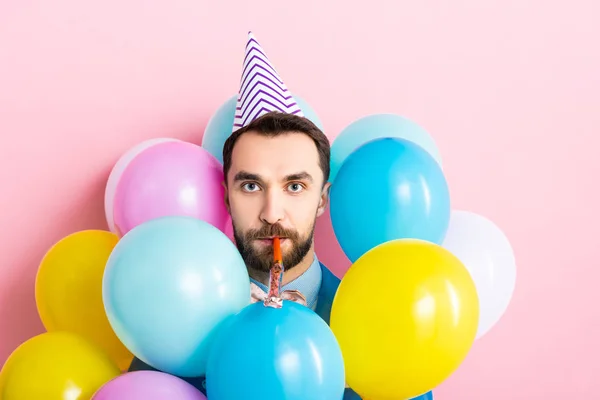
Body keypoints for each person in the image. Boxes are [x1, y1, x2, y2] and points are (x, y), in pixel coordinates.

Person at [129, 31, 361, 399]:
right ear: (226, 197)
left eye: (295, 187)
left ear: (322, 199)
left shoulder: (378, 324)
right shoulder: (169, 323)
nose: (272, 214)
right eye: (251, 186)